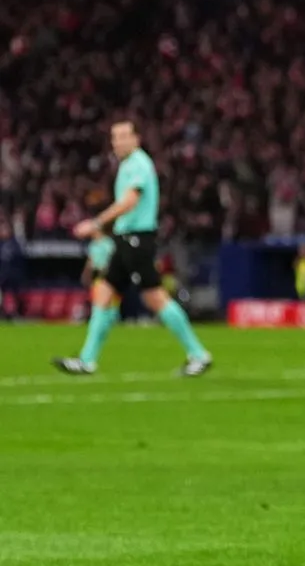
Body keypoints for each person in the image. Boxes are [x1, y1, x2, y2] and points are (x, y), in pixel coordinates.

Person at [55, 121, 213, 376]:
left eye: (123, 136)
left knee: (154, 297)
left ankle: (198, 353)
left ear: (137, 139)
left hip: (137, 239)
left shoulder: (138, 164)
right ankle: (87, 359)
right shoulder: (128, 165)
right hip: (125, 238)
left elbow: (130, 201)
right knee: (104, 293)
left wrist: (96, 223)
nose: (117, 142)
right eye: (114, 137)